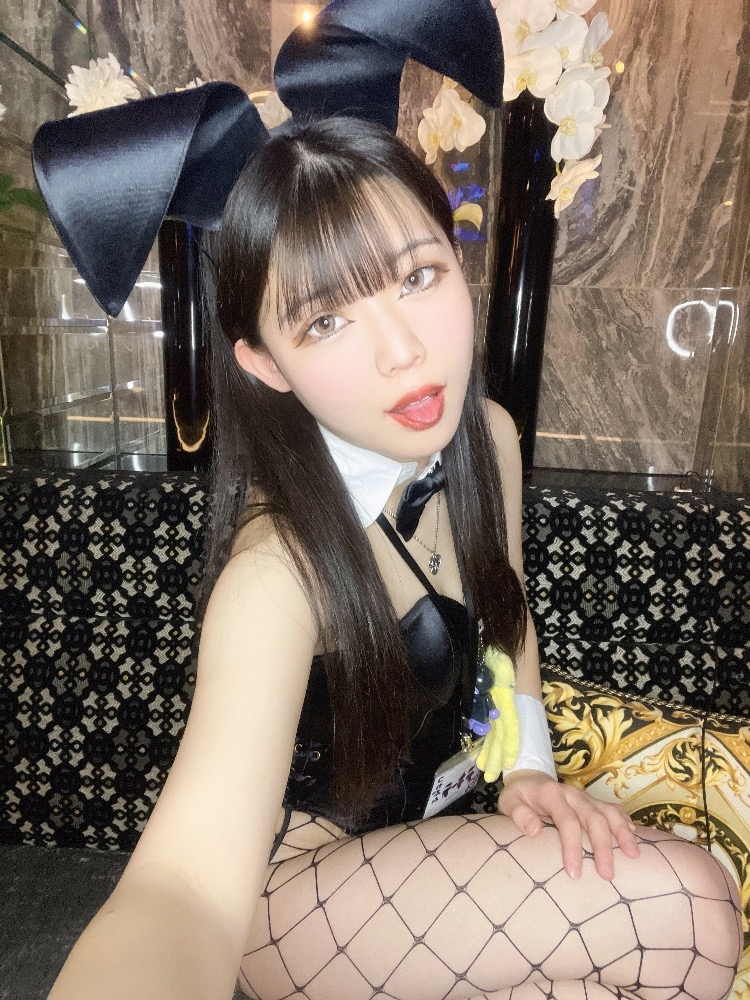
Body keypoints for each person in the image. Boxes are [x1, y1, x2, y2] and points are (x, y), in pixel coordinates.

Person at [47, 114, 741, 1000]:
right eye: (326, 320)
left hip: (429, 848)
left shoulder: (486, 438)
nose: (403, 351)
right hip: (297, 898)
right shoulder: (277, 573)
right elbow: (183, 888)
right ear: (265, 364)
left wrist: (530, 765)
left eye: (417, 276)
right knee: (691, 913)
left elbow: (507, 609)